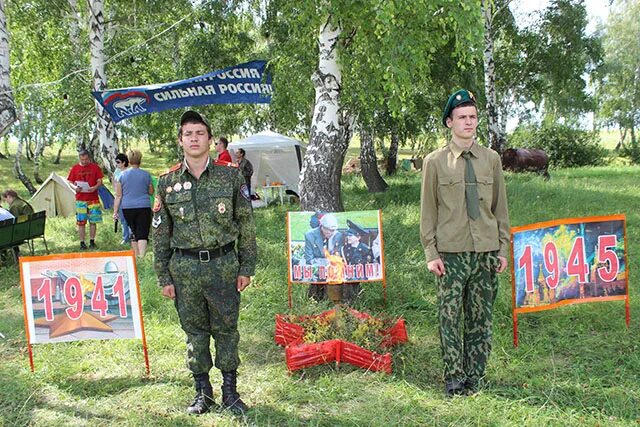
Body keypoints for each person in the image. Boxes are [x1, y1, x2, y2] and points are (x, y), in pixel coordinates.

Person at [153, 110, 256, 415]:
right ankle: (203, 393)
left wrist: (246, 267)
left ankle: (230, 392)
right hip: (184, 270)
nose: (194, 138)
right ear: (180, 140)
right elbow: (161, 233)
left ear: (211, 140)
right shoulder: (167, 182)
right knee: (195, 332)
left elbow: (246, 225)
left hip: (224, 265)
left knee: (226, 330)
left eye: (200, 133)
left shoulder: (230, 176)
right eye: (188, 134)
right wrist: (164, 277)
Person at [420, 89, 510, 396]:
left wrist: (502, 249)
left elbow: (500, 208)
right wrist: (431, 252)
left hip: (485, 252)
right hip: (451, 254)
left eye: (473, 117)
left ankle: (476, 376)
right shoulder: (435, 162)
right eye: (462, 118)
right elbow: (428, 211)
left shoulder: (491, 160)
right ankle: (454, 377)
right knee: (449, 318)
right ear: (450, 122)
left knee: (480, 319)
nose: (469, 123)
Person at [113, 150, 154, 258]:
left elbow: (118, 195)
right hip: (144, 206)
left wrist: (115, 211)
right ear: (140, 160)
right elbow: (151, 192)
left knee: (133, 230)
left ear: (129, 161)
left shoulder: (121, 176)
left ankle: (136, 255)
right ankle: (142, 255)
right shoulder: (146, 175)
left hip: (127, 207)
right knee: (143, 231)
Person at [67, 150, 104, 250]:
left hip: (93, 199)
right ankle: (82, 242)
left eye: (86, 159)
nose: (84, 161)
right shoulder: (75, 168)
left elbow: (100, 181)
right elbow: (70, 182)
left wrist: (95, 187)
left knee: (93, 221)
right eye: (82, 159)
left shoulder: (95, 167)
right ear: (79, 158)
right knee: (81, 221)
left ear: (89, 158)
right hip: (81, 200)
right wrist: (75, 188)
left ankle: (92, 241)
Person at [304, 213, 343, 300]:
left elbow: (339, 256)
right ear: (322, 227)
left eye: (333, 230)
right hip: (318, 271)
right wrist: (327, 262)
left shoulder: (338, 235)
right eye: (329, 230)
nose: (332, 233)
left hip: (334, 272)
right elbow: (309, 259)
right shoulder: (310, 236)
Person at [340, 220, 373, 302]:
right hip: (347, 276)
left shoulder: (365, 250)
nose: (348, 237)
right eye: (348, 235)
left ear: (358, 237)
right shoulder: (345, 249)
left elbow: (368, 265)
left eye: (351, 235)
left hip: (360, 276)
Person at [113, 153, 132, 244]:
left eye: (118, 162)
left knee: (130, 219)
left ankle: (132, 236)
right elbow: (114, 183)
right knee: (123, 219)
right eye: (115, 162)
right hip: (119, 198)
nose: (116, 164)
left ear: (124, 163)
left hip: (128, 198)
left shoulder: (129, 172)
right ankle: (125, 237)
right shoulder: (116, 171)